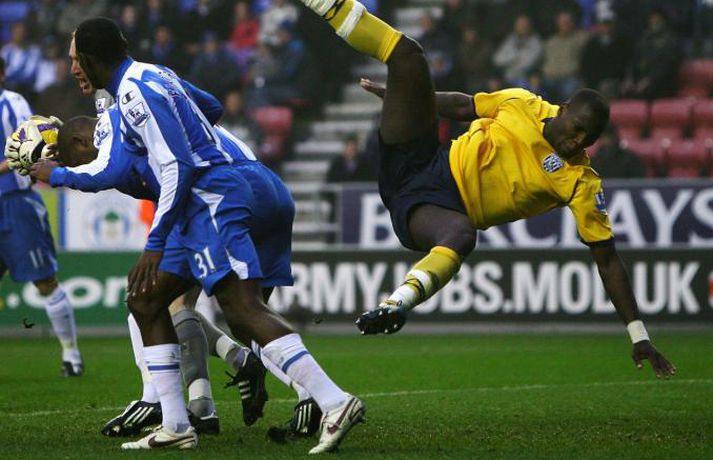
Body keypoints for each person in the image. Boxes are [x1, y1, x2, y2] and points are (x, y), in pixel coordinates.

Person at [295, 0, 675, 380]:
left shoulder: (582, 183)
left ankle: (396, 304)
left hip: (432, 210)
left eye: (587, 138)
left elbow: (608, 260)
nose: (577, 141)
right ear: (562, 109)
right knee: (409, 55)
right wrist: (400, 96)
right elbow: (464, 106)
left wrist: (638, 334)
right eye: (576, 129)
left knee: (463, 235)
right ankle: (323, 3)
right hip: (420, 158)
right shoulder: (523, 103)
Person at [70, 17, 363, 452]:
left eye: (76, 60)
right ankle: (198, 412)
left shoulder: (132, 101)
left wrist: (57, 173)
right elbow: (211, 107)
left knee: (230, 307)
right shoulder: (161, 79)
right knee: (157, 300)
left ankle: (318, 398)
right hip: (257, 184)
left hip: (218, 193)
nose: (73, 68)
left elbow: (149, 167)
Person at [0, 57, 83, 377]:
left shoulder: (12, 103)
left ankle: (71, 355)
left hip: (15, 202)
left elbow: (30, 150)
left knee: (45, 281)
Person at [541, 11, 588, 103]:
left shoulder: (580, 39)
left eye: (567, 22)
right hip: (549, 78)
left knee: (568, 90)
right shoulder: (550, 42)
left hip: (570, 78)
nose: (564, 24)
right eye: (562, 22)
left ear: (572, 23)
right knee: (535, 89)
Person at [492, 15, 543, 87]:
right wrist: (514, 57)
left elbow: (529, 63)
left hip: (526, 77)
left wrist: (510, 60)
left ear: (529, 26)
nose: (522, 27)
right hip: (506, 77)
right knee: (493, 83)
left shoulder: (535, 42)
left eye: (524, 25)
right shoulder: (510, 40)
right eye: (519, 25)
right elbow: (497, 60)